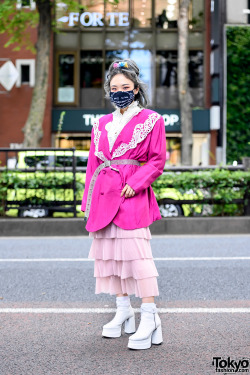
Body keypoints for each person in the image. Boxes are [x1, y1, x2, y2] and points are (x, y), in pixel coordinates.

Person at [81, 58, 166, 350]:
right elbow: (93, 165)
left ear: (136, 88)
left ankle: (150, 316)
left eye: (125, 87)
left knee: (138, 258)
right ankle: (123, 311)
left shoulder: (152, 120)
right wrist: (88, 203)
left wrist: (137, 183)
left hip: (131, 191)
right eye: (114, 87)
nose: (119, 91)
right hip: (103, 194)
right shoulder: (100, 124)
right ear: (108, 89)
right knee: (111, 259)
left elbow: (157, 160)